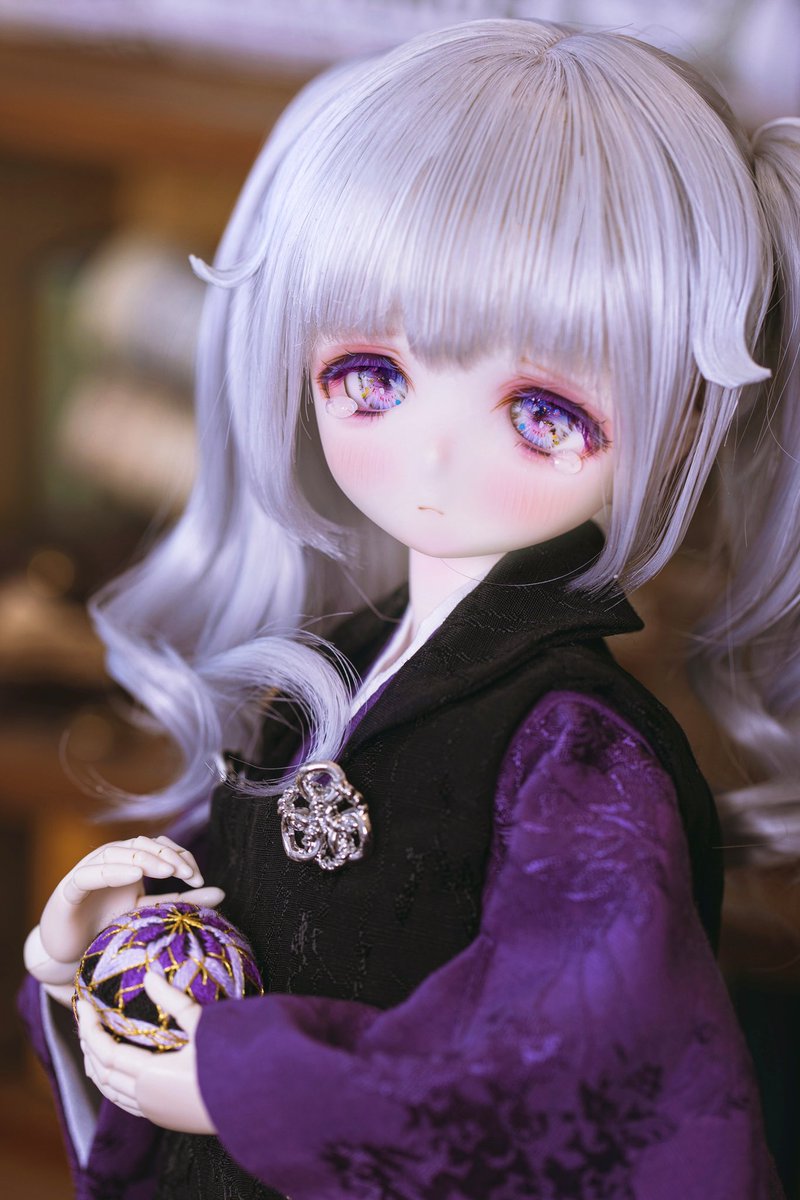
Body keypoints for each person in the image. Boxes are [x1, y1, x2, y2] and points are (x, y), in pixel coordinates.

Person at [20, 17, 799, 1199]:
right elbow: (239, 913)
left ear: (684, 419)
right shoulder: (334, 667)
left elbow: (566, 1064)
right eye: (371, 377)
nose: (432, 457)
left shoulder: (577, 750)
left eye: (540, 412)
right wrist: (87, 958)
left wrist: (242, 1086)